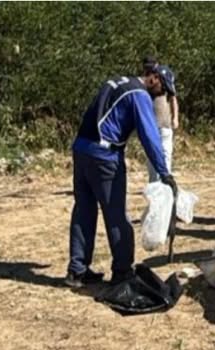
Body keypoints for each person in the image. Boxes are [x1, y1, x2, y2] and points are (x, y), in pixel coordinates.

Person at [66, 66, 174, 288]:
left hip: (81, 149)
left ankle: (77, 271)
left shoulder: (117, 81)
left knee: (84, 210)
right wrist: (164, 172)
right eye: (162, 87)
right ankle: (123, 271)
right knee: (116, 215)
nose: (161, 94)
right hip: (105, 157)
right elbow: (149, 135)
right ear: (154, 77)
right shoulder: (139, 94)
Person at [141, 56, 178, 182]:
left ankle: (165, 182)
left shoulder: (163, 76)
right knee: (151, 156)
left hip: (163, 123)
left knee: (165, 154)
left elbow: (173, 98)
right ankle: (154, 184)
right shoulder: (145, 80)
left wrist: (175, 118)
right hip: (150, 124)